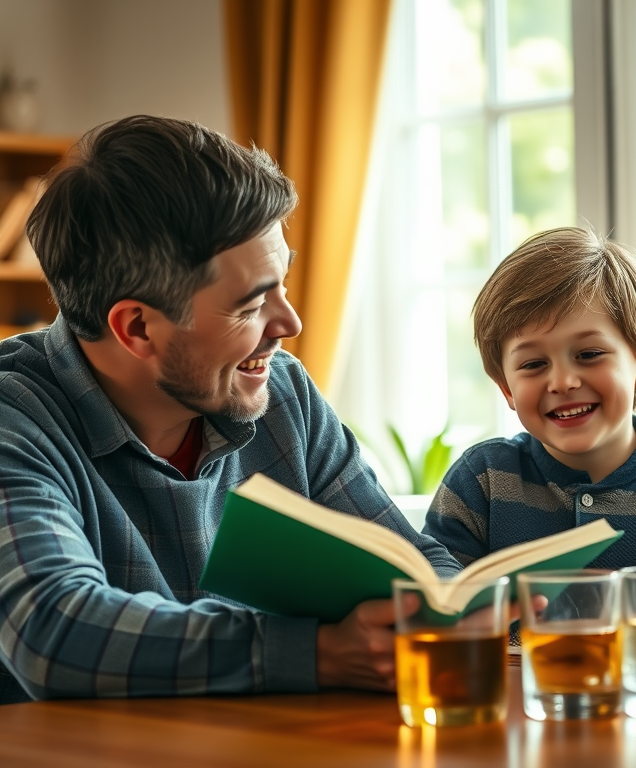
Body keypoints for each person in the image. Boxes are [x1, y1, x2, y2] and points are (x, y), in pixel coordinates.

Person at [0, 115, 462, 704]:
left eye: (283, 285)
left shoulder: (282, 395)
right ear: (137, 327)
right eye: (250, 306)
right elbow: (54, 631)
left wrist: (451, 606)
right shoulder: (14, 420)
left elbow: (411, 562)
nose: (291, 325)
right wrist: (318, 653)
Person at [423, 227, 636, 574]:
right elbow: (440, 596)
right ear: (506, 388)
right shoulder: (481, 480)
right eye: (534, 364)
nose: (563, 382)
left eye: (589, 354)